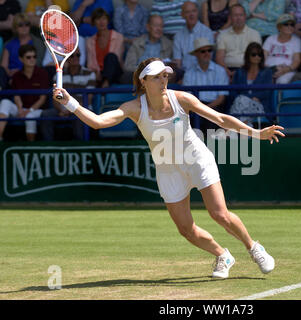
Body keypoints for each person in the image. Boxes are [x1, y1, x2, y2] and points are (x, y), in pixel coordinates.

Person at [52, 57, 284, 278]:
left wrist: (255, 133)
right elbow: (98, 122)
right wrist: (70, 103)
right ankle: (222, 256)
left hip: (197, 160)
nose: (163, 81)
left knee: (219, 214)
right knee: (186, 230)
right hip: (167, 170)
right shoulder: (133, 108)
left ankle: (254, 248)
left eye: (165, 76)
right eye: (156, 77)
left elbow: (220, 119)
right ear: (143, 81)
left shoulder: (182, 98)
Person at [40, 48, 96, 141]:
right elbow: (56, 98)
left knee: (79, 117)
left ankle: (81, 147)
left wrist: (72, 109)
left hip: (82, 109)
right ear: (66, 58)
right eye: (72, 56)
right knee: (46, 115)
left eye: (78, 55)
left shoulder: (90, 74)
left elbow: (88, 98)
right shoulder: (58, 76)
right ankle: (48, 147)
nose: (75, 58)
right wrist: (61, 110)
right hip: (62, 109)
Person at [0, 44, 49, 142]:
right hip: (22, 109)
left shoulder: (42, 73)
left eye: (34, 57)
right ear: (21, 59)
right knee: (5, 102)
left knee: (30, 116)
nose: (32, 59)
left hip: (37, 110)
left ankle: (30, 146)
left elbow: (42, 99)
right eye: (28, 57)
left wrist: (29, 111)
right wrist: (20, 109)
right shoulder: (17, 76)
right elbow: (17, 96)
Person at [183, 37, 229, 132]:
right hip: (195, 108)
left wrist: (205, 110)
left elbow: (221, 98)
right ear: (196, 54)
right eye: (203, 51)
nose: (207, 53)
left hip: (213, 107)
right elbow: (187, 98)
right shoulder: (189, 73)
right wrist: (201, 109)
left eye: (209, 50)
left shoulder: (220, 71)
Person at [229, 42, 273, 126]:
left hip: (260, 104)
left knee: (241, 100)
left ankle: (230, 128)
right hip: (241, 103)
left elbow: (267, 92)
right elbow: (233, 91)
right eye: (254, 54)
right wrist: (249, 97)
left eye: (259, 55)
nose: (257, 57)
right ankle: (246, 128)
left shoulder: (267, 72)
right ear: (248, 56)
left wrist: (248, 97)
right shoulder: (240, 72)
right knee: (241, 100)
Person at [215, 4, 262, 80]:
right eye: (235, 15)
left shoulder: (254, 34)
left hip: (248, 69)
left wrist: (239, 73)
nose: (238, 18)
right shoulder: (222, 35)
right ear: (230, 18)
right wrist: (227, 72)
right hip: (227, 70)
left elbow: (256, 58)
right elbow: (219, 58)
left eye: (241, 15)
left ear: (245, 17)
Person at [0, 13, 45, 87]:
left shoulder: (38, 43)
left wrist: (20, 73)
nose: (24, 27)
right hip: (11, 78)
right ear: (15, 28)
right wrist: (12, 75)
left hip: (31, 77)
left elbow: (39, 63)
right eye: (20, 25)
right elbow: (4, 67)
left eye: (27, 24)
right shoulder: (9, 44)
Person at [86, 8, 124, 88]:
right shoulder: (90, 41)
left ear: (108, 20)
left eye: (104, 18)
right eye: (98, 19)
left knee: (111, 56)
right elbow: (90, 64)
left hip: (115, 73)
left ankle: (105, 84)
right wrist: (97, 73)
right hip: (98, 74)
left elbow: (116, 58)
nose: (101, 22)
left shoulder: (118, 37)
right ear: (94, 22)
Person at [173, 1, 214, 71]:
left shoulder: (207, 32)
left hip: (203, 71)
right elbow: (178, 62)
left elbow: (208, 59)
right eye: (187, 12)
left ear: (197, 12)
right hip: (184, 73)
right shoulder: (178, 36)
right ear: (182, 15)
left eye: (194, 11)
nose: (191, 14)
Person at [263, 14, 301, 84]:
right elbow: (263, 57)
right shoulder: (270, 39)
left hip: (287, 70)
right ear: (279, 27)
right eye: (286, 24)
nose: (290, 27)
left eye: (292, 24)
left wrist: (285, 70)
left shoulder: (296, 40)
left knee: (282, 81)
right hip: (269, 69)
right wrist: (269, 70)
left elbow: (297, 60)